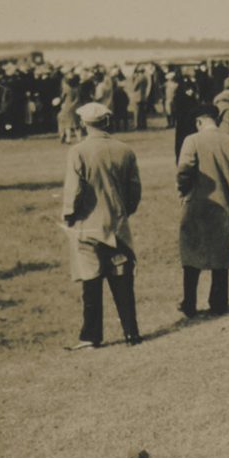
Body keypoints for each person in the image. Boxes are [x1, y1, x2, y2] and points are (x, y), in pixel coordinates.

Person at [61, 102, 142, 349]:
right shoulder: (125, 150)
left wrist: (69, 216)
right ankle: (131, 332)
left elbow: (73, 191)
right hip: (117, 224)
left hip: (88, 225)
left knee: (91, 281)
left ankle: (91, 335)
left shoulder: (78, 151)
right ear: (107, 122)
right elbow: (135, 190)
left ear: (84, 124)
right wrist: (123, 211)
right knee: (122, 277)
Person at [176, 104, 229, 317]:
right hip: (224, 206)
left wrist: (184, 193)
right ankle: (219, 303)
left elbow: (184, 172)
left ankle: (189, 303)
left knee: (191, 253)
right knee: (220, 255)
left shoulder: (191, 140)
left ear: (199, 122)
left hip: (196, 204)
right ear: (216, 120)